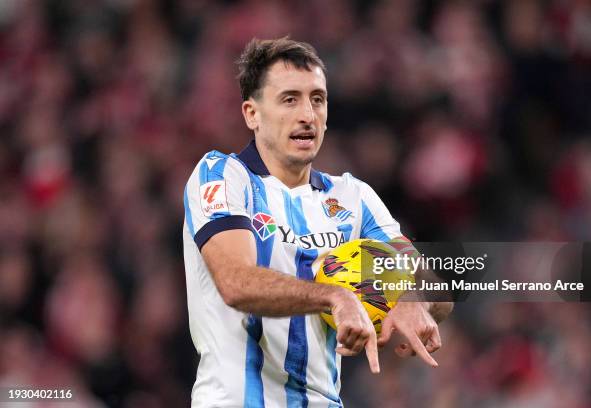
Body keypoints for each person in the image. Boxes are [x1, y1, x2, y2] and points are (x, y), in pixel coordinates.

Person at [183, 37, 453, 408]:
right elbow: (236, 283)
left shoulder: (353, 197)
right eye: (289, 99)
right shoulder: (222, 176)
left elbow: (435, 288)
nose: (307, 115)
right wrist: (335, 296)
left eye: (318, 99)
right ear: (252, 114)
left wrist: (407, 297)